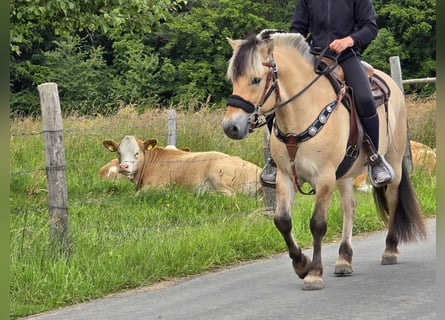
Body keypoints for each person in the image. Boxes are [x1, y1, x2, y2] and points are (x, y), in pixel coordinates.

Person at [261, 0, 395, 188]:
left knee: (365, 98)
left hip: (346, 57)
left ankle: (375, 158)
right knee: (277, 96)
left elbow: (370, 27)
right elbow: (298, 28)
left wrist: (350, 40)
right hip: (312, 56)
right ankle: (277, 162)